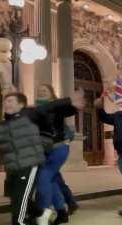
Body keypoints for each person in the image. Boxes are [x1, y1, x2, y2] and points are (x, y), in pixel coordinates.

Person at [0, 92, 84, 225]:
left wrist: (69, 101)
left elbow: (48, 107)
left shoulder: (29, 115)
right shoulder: (2, 125)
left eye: (11, 101)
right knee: (15, 198)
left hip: (28, 165)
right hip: (13, 168)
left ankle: (21, 221)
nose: (7, 104)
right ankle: (41, 212)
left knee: (19, 208)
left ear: (21, 104)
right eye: (6, 101)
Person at [34, 84, 79, 225]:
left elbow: (69, 110)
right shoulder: (36, 109)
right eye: (39, 91)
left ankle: (43, 212)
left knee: (44, 179)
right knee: (52, 181)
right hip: (43, 151)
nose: (41, 92)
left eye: (44, 90)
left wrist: (74, 103)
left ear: (52, 94)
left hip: (57, 149)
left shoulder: (56, 107)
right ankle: (62, 212)